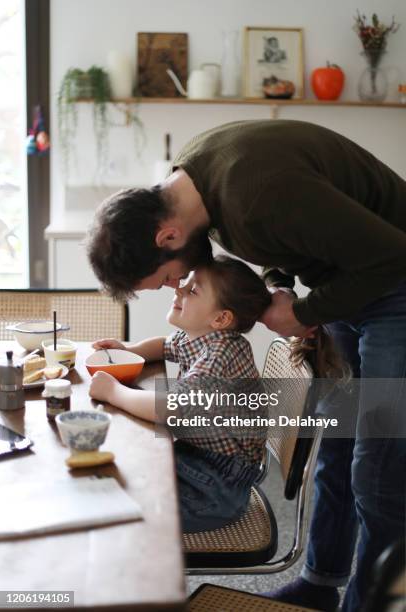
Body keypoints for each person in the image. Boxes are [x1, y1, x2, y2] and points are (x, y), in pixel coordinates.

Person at [87, 120, 406, 612]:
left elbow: (392, 254)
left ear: (167, 235)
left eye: (168, 278)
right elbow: (293, 240)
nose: (176, 288)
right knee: (338, 452)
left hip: (394, 281)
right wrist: (280, 285)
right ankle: (321, 584)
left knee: (378, 473)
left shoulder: (252, 194)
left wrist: (301, 311)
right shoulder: (197, 189)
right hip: (354, 279)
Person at [89, 256, 268, 533]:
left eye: (193, 290)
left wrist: (113, 392)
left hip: (217, 486)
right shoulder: (203, 336)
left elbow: (171, 407)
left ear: (221, 318)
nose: (179, 289)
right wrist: (130, 351)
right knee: (125, 466)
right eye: (186, 282)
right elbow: (163, 346)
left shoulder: (220, 353)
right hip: (199, 460)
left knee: (125, 511)